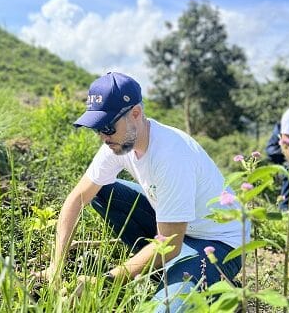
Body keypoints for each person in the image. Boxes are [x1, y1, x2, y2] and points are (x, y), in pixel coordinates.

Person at [49, 72, 249, 312]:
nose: (103, 137)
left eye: (108, 127)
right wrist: (55, 266)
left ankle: (220, 292)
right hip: (174, 226)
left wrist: (107, 281)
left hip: (219, 242)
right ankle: (166, 273)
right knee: (101, 191)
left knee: (161, 310)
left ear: (135, 114)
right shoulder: (116, 142)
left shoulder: (171, 155)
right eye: (97, 129)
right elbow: (76, 198)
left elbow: (171, 244)